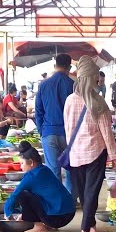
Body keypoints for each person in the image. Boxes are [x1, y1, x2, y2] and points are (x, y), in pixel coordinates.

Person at [65, 56, 116, 232]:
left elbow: (67, 128)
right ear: (92, 77)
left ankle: (91, 226)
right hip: (96, 151)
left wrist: (71, 149)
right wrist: (114, 156)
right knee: (92, 192)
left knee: (84, 192)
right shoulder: (98, 102)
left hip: (75, 152)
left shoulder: (70, 100)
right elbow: (107, 132)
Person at [2, 143, 75, 232]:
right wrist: (24, 214)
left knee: (23, 195)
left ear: (31, 162)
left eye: (22, 163)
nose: (21, 167)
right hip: (69, 213)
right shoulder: (45, 169)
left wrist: (7, 213)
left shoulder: (31, 176)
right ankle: (47, 224)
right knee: (32, 194)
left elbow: (14, 195)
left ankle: (39, 227)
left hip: (56, 218)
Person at [34, 54, 76, 193]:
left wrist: (42, 132)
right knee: (70, 169)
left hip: (48, 133)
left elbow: (38, 111)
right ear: (69, 67)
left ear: (54, 66)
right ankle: (70, 199)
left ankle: (58, 202)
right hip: (68, 134)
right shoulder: (72, 85)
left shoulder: (43, 85)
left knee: (53, 170)